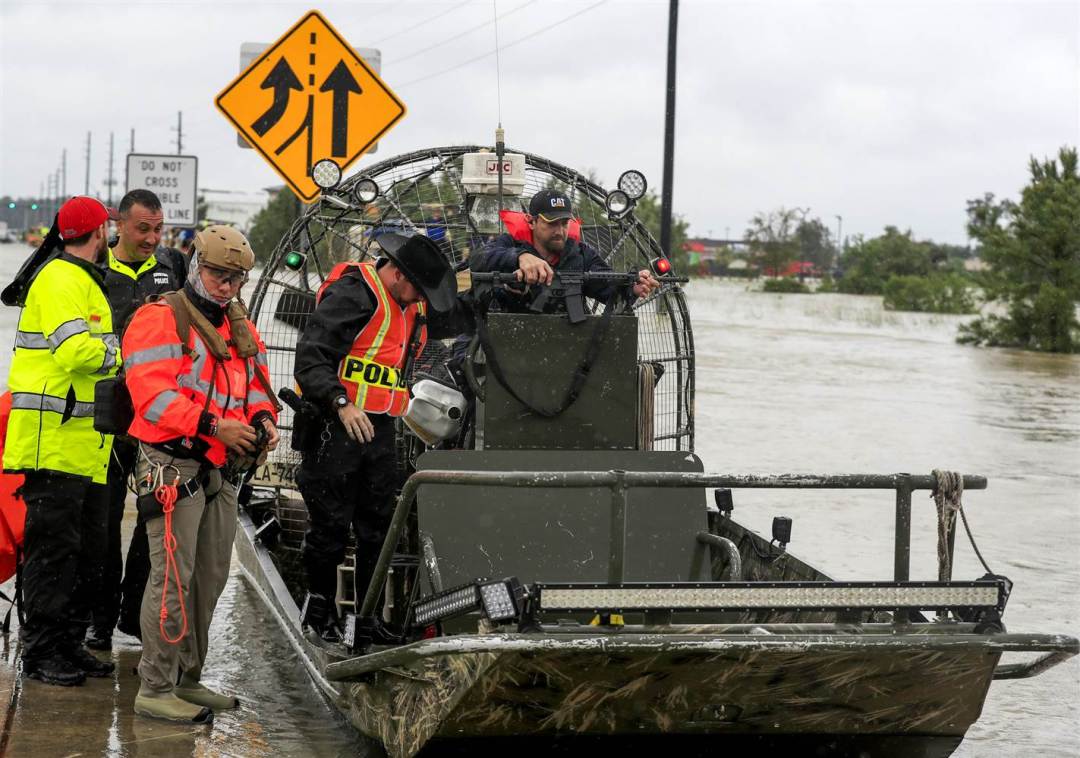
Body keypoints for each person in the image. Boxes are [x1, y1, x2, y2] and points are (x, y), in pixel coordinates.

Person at [123, 225, 279, 722]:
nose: (226, 286)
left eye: (235, 278)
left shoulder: (238, 325)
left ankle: (188, 679)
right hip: (173, 464)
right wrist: (215, 425)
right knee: (171, 578)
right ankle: (155, 685)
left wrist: (262, 421)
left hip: (219, 468)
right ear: (196, 267)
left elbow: (255, 386)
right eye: (217, 274)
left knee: (209, 579)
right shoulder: (160, 319)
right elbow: (154, 395)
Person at [293, 233, 459, 641]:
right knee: (330, 525)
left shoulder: (409, 305)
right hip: (336, 425)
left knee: (377, 527)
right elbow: (311, 357)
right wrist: (340, 402)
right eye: (417, 288)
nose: (421, 298)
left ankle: (364, 622)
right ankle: (319, 610)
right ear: (397, 272)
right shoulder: (354, 295)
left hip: (380, 428)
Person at [2, 196, 121, 686]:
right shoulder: (58, 278)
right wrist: (120, 350)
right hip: (50, 446)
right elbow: (75, 353)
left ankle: (68, 642)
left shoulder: (80, 279)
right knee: (52, 555)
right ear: (99, 232)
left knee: (83, 553)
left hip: (82, 447)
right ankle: (41, 651)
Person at [87, 189, 188, 651]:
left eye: (157, 229)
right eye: (142, 228)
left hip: (158, 417)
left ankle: (133, 617)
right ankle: (99, 621)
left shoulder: (173, 267)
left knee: (154, 520)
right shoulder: (96, 271)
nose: (151, 238)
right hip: (108, 416)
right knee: (103, 524)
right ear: (119, 225)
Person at [470, 189, 659, 309]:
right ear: (531, 221)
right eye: (551, 223)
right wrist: (521, 256)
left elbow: (608, 288)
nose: (559, 230)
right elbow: (479, 259)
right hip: (511, 345)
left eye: (564, 223)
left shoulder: (582, 255)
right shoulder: (508, 244)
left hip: (566, 348)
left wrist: (631, 288)